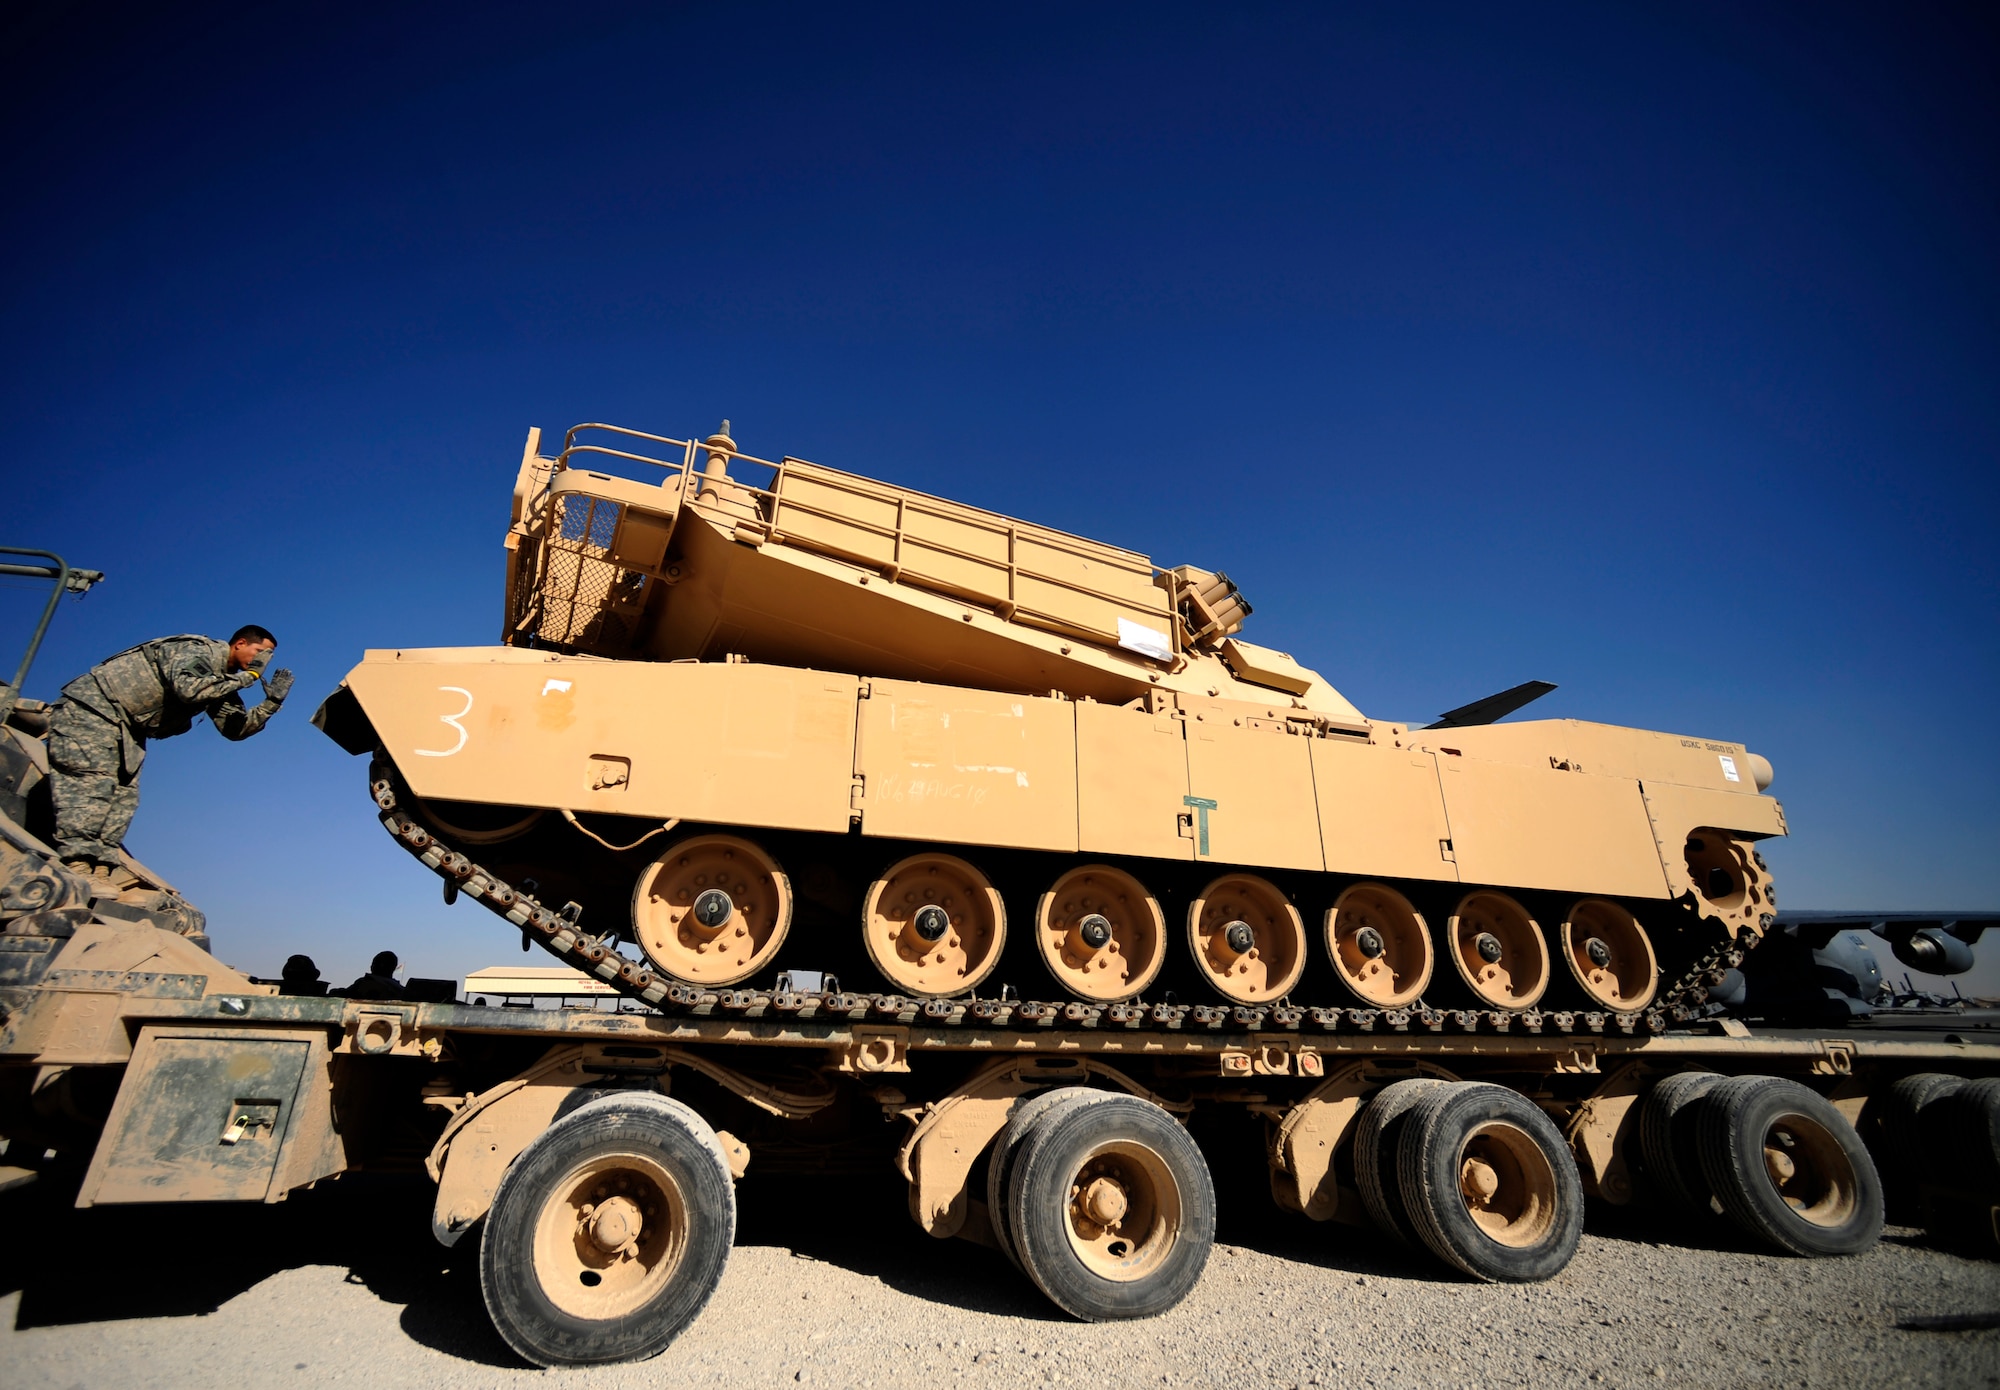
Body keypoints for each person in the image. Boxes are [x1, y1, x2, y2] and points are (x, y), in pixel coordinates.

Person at [46, 626, 293, 880]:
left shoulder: (224, 682)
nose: (263, 660)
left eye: (269, 657)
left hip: (129, 732)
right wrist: (250, 676)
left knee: (123, 799)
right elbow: (190, 690)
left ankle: (99, 869)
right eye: (261, 652)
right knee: (93, 784)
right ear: (240, 643)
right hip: (93, 709)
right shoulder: (197, 651)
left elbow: (235, 728)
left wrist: (271, 703)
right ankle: (76, 865)